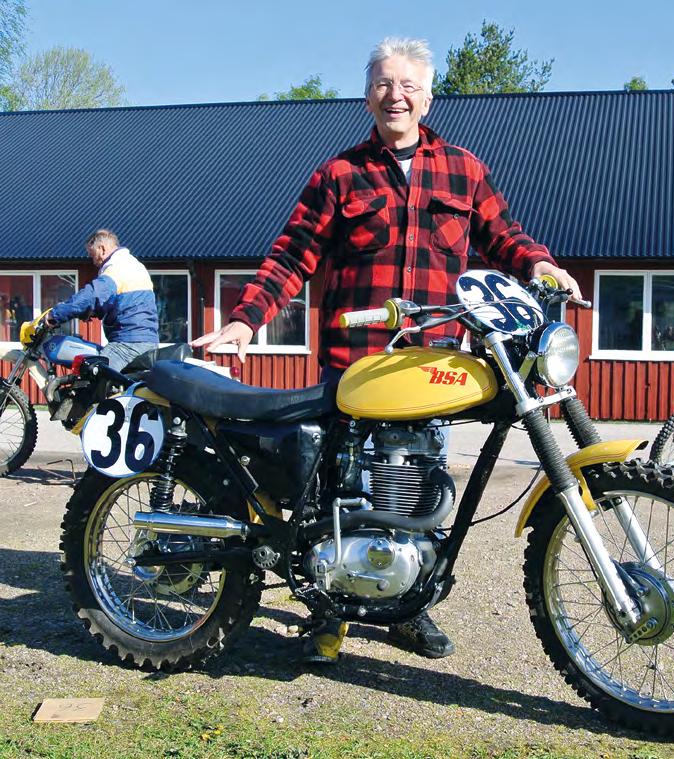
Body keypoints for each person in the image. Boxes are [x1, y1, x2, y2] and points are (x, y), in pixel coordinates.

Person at [192, 37, 581, 664]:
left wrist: (538, 263)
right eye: (383, 83)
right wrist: (245, 322)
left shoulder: (463, 168)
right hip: (354, 366)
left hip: (431, 367)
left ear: (427, 96)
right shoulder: (338, 174)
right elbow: (293, 255)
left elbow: (502, 234)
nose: (395, 95)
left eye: (407, 85)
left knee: (418, 486)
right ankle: (329, 612)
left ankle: (408, 608)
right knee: (340, 492)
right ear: (367, 92)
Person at [47, 229, 159, 371]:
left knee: (91, 377)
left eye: (92, 254)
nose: (93, 261)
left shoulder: (117, 267)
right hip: (145, 340)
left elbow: (91, 295)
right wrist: (89, 312)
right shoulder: (133, 264)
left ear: (102, 249)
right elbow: (120, 302)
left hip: (128, 343)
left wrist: (55, 315)